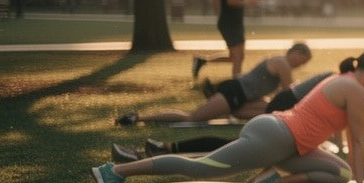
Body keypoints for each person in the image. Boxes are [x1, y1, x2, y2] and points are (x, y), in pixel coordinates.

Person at [92, 49, 364, 183]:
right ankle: (115, 171)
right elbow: (358, 140)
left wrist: (353, 179)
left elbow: (344, 135)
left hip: (290, 145)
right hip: (275, 136)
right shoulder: (354, 89)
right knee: (200, 166)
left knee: (338, 171)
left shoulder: (347, 83)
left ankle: (273, 178)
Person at [111, 68, 344, 162]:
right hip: (277, 122)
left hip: (274, 120)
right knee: (200, 125)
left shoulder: (336, 82)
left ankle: (161, 147)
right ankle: (156, 143)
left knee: (229, 144)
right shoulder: (339, 84)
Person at [117, 43, 312, 126]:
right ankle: (138, 117)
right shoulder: (282, 62)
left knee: (272, 112)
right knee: (193, 118)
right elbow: (289, 92)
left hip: (241, 98)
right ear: (296, 53)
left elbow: (272, 95)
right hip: (233, 92)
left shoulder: (281, 64)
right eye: (301, 61)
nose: (300, 65)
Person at [192, 0, 260, 80]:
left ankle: (202, 61)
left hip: (231, 21)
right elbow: (231, 0)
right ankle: (237, 86)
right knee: (237, 57)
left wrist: (220, 15)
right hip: (230, 23)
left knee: (237, 56)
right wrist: (249, 2)